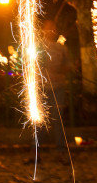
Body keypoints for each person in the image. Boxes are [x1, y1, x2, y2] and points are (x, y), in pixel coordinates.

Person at [30, 18, 72, 164]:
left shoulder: (61, 48)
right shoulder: (38, 47)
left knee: (57, 120)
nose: (50, 31)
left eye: (52, 28)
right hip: (41, 88)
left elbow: (68, 66)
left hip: (57, 87)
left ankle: (60, 152)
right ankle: (36, 153)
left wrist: (60, 70)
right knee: (39, 120)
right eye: (47, 28)